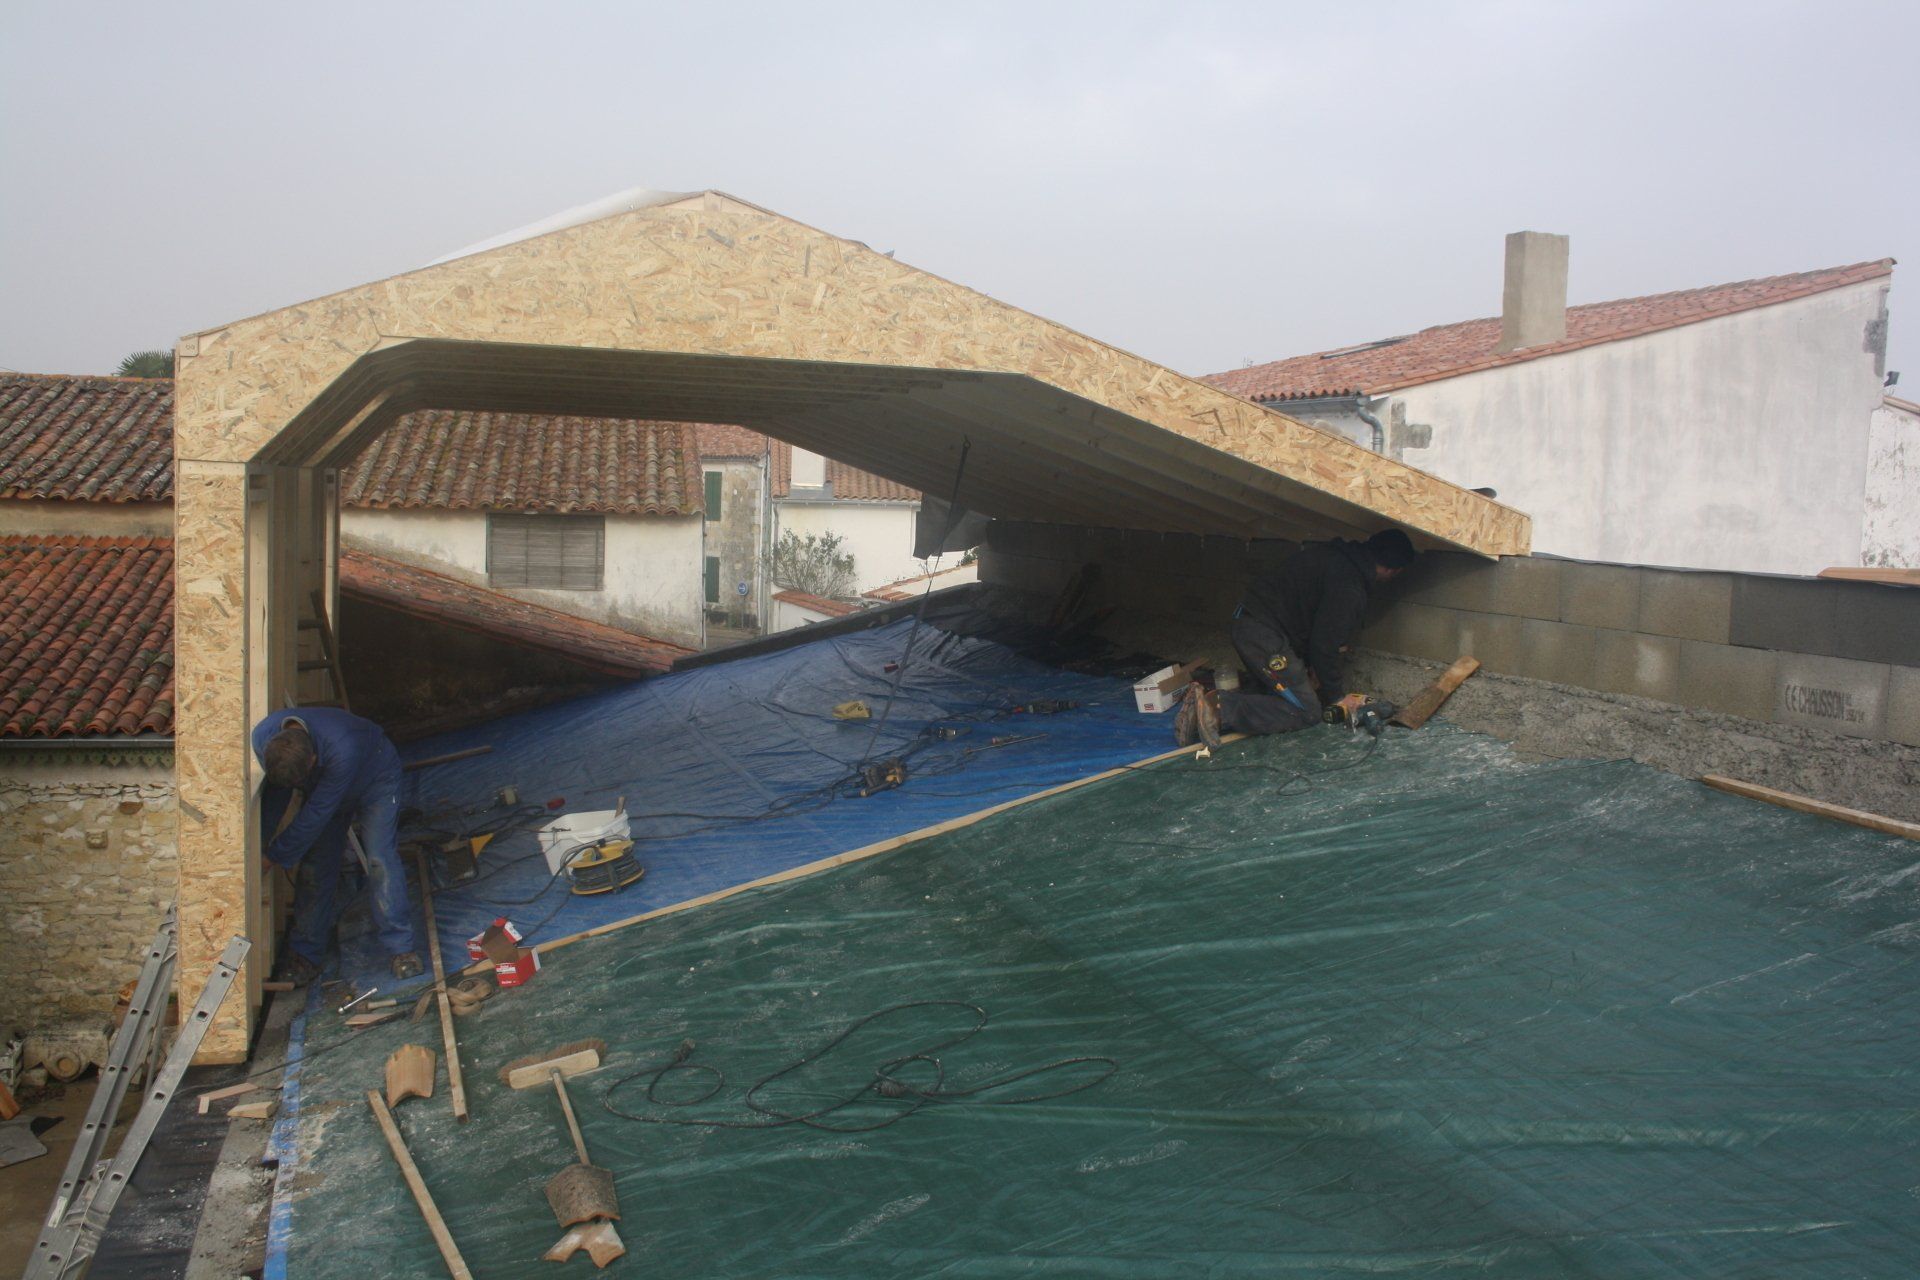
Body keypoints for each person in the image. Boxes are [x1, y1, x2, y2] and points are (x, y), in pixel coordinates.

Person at [1177, 529, 1418, 748]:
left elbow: (1306, 616)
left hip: (1254, 624)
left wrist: (1310, 668)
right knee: (1306, 711)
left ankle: (1217, 703)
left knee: (1282, 692)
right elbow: (1325, 644)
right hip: (1262, 636)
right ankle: (1217, 709)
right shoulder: (1349, 586)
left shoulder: (1336, 556)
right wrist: (1336, 697)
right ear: (1392, 569)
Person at [252, 707, 423, 983]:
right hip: (327, 786)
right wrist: (256, 845)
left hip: (375, 778)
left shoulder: (343, 747)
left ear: (314, 759)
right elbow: (276, 793)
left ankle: (401, 949)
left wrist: (273, 856)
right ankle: (305, 955)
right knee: (316, 867)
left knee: (379, 859)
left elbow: (317, 812)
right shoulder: (262, 737)